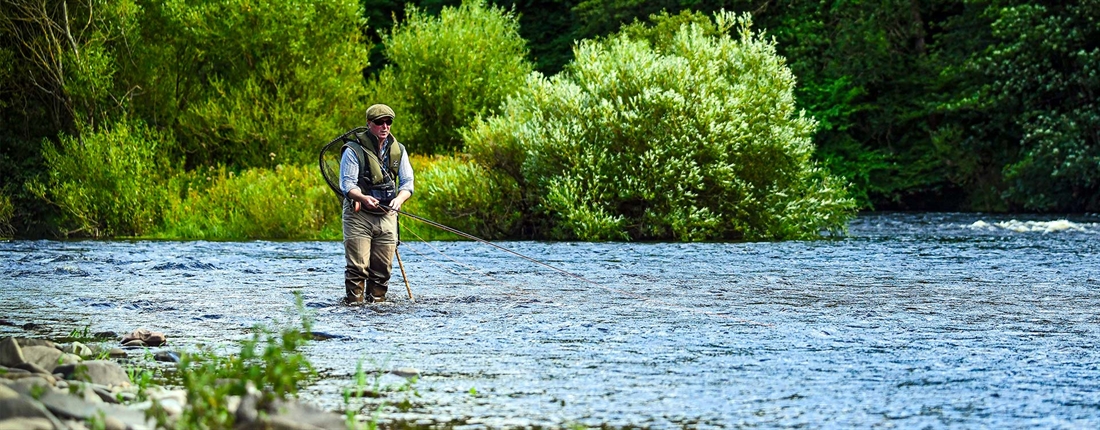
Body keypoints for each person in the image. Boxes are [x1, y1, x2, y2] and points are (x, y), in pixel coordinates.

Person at [339, 104, 414, 304]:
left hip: (387, 214)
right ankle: (354, 306)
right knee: (358, 267)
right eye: (379, 122)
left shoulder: (399, 150)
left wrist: (399, 199)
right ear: (369, 124)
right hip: (359, 215)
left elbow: (407, 183)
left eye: (388, 122)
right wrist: (363, 198)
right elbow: (347, 184)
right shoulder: (353, 150)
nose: (385, 126)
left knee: (382, 270)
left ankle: (377, 306)